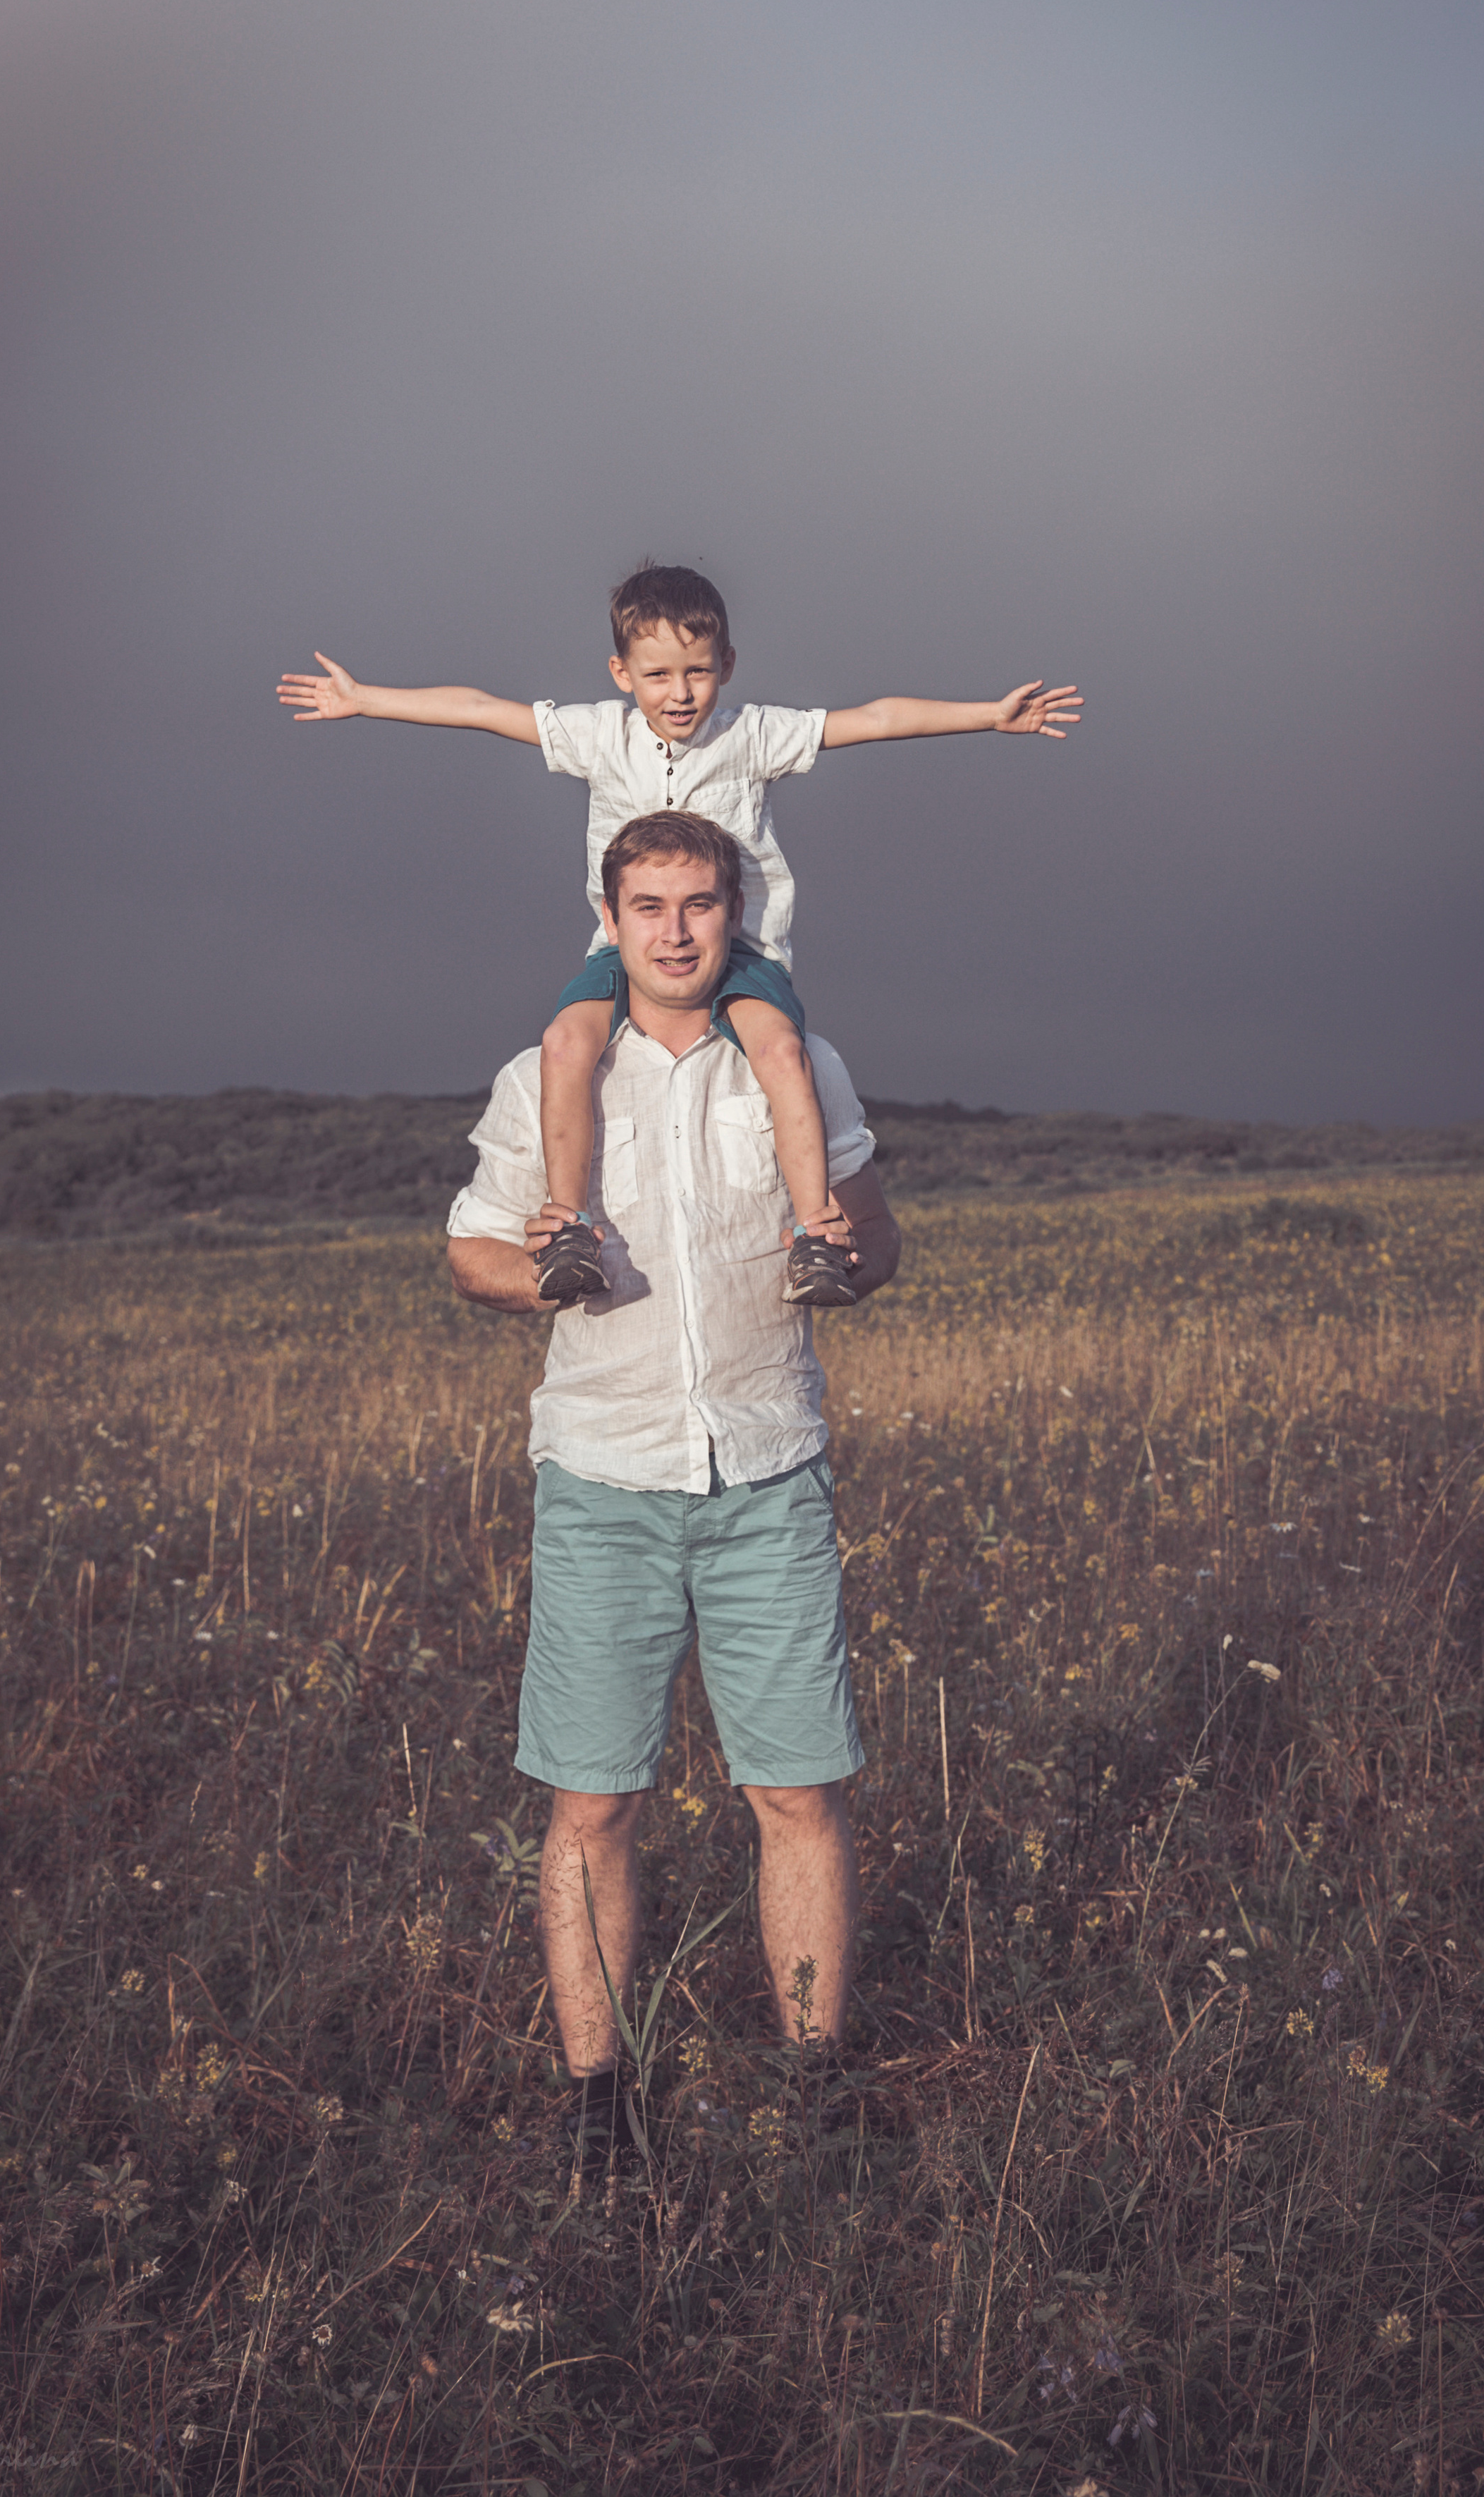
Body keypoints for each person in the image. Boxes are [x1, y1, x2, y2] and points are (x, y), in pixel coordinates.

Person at [444, 807, 900, 2148]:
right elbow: (469, 1252)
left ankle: (814, 2093)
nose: (677, 929)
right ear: (611, 918)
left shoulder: (799, 1061)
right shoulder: (548, 1076)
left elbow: (880, 1242)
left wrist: (848, 1254)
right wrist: (544, 1275)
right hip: (604, 1478)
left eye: (700, 902)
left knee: (799, 1792)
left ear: (735, 908)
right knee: (592, 1804)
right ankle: (599, 2105)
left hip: (769, 1469)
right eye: (649, 906)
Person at [278, 561, 1077, 1308]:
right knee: (563, 1043)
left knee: (781, 1053)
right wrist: (366, 699)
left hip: (742, 951)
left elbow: (871, 719)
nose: (680, 691)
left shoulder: (753, 735)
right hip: (624, 952)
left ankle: (813, 1236)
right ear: (621, 674)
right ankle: (567, 1228)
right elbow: (484, 709)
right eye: (657, 674)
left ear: (726, 663)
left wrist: (987, 716)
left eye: (697, 670)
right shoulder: (600, 736)